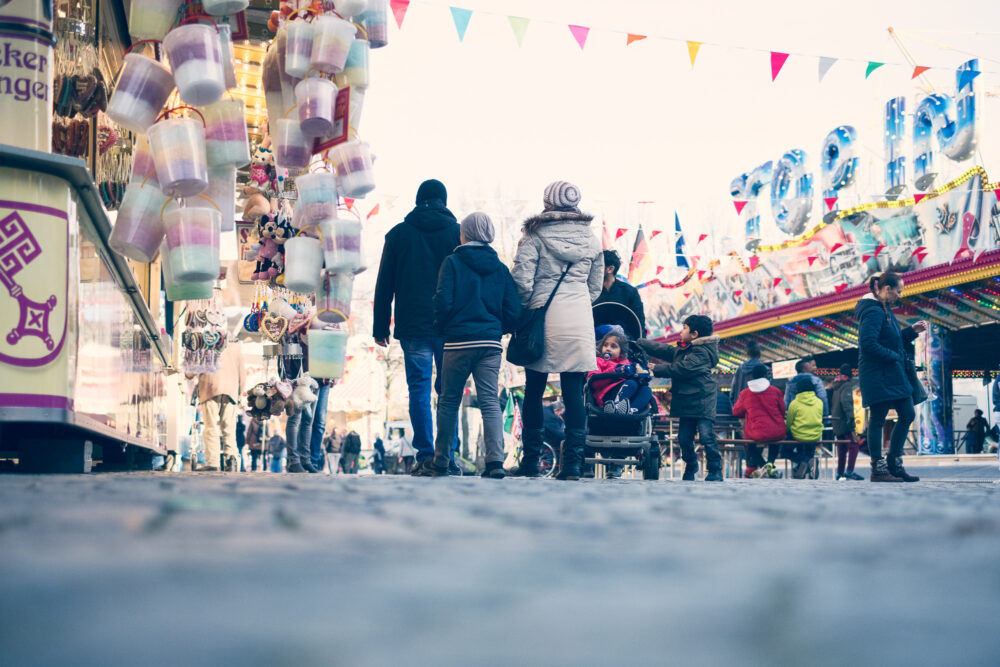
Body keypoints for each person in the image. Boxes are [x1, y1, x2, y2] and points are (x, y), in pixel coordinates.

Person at [413, 212, 521, 479]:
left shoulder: (452, 263)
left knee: (449, 401)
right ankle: (495, 462)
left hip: (457, 341)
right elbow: (513, 309)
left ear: (465, 234)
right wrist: (497, 330)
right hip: (489, 342)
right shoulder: (500, 268)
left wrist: (443, 328)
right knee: (490, 402)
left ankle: (440, 460)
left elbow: (443, 301)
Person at [511, 181, 604, 480]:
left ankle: (530, 463)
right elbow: (595, 287)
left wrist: (529, 308)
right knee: (574, 392)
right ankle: (573, 465)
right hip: (579, 319)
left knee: (535, 391)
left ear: (548, 202)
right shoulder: (591, 239)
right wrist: (576, 301)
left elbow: (522, 282)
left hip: (544, 319)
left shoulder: (534, 236)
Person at [373, 179, 462, 471]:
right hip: (449, 325)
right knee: (448, 391)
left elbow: (385, 283)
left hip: (413, 325)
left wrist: (380, 326)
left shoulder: (398, 235)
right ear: (444, 201)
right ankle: (447, 454)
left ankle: (425, 455)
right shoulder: (458, 234)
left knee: (419, 390)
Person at [856, 271, 927, 482]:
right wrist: (894, 356)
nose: (900, 295)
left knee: (907, 413)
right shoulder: (873, 311)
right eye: (898, 290)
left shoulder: (884, 308)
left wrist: (910, 331)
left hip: (891, 373)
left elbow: (891, 340)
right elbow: (868, 345)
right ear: (886, 289)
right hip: (877, 373)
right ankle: (878, 469)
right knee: (878, 418)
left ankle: (894, 463)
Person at [639, 314, 722, 481]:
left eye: (684, 328)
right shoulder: (685, 349)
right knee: (684, 438)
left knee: (706, 436)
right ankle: (691, 465)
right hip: (687, 400)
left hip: (703, 400)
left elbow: (683, 368)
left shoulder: (703, 352)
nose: (680, 331)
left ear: (694, 334)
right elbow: (665, 350)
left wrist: (656, 368)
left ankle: (715, 470)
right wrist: (640, 342)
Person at [194, 342, 245, 471]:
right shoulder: (235, 347)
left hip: (209, 388)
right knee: (229, 428)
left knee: (211, 428)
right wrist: (239, 394)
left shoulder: (204, 342)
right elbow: (242, 373)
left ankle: (213, 463)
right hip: (231, 392)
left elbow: (190, 371)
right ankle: (231, 459)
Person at [732, 364, 786, 478]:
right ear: (766, 375)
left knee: (749, 445)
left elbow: (736, 411)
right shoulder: (776, 391)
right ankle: (770, 464)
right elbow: (782, 410)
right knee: (775, 440)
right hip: (777, 430)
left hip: (755, 432)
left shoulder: (745, 393)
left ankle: (764, 465)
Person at [589, 328, 652, 416]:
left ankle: (631, 410)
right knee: (631, 383)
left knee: (646, 390)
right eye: (605, 345)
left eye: (613, 346)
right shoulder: (598, 361)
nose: (608, 349)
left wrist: (642, 376)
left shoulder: (628, 363)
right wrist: (615, 371)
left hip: (628, 397)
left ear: (621, 351)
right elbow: (593, 382)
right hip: (607, 395)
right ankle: (616, 406)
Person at [593, 249, 646, 335]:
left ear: (610, 269)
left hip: (624, 344)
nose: (593, 269)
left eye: (597, 266)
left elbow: (639, 325)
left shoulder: (630, 292)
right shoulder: (591, 292)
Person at [785, 376, 824, 479]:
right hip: (815, 435)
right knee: (809, 448)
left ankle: (801, 462)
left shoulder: (794, 404)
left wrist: (787, 432)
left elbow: (789, 422)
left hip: (798, 435)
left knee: (784, 450)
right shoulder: (819, 402)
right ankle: (810, 464)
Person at [830, 364, 863, 480]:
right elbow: (846, 403)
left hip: (837, 422)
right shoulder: (847, 385)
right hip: (845, 422)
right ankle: (849, 471)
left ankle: (840, 473)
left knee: (842, 448)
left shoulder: (836, 386)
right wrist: (851, 420)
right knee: (854, 445)